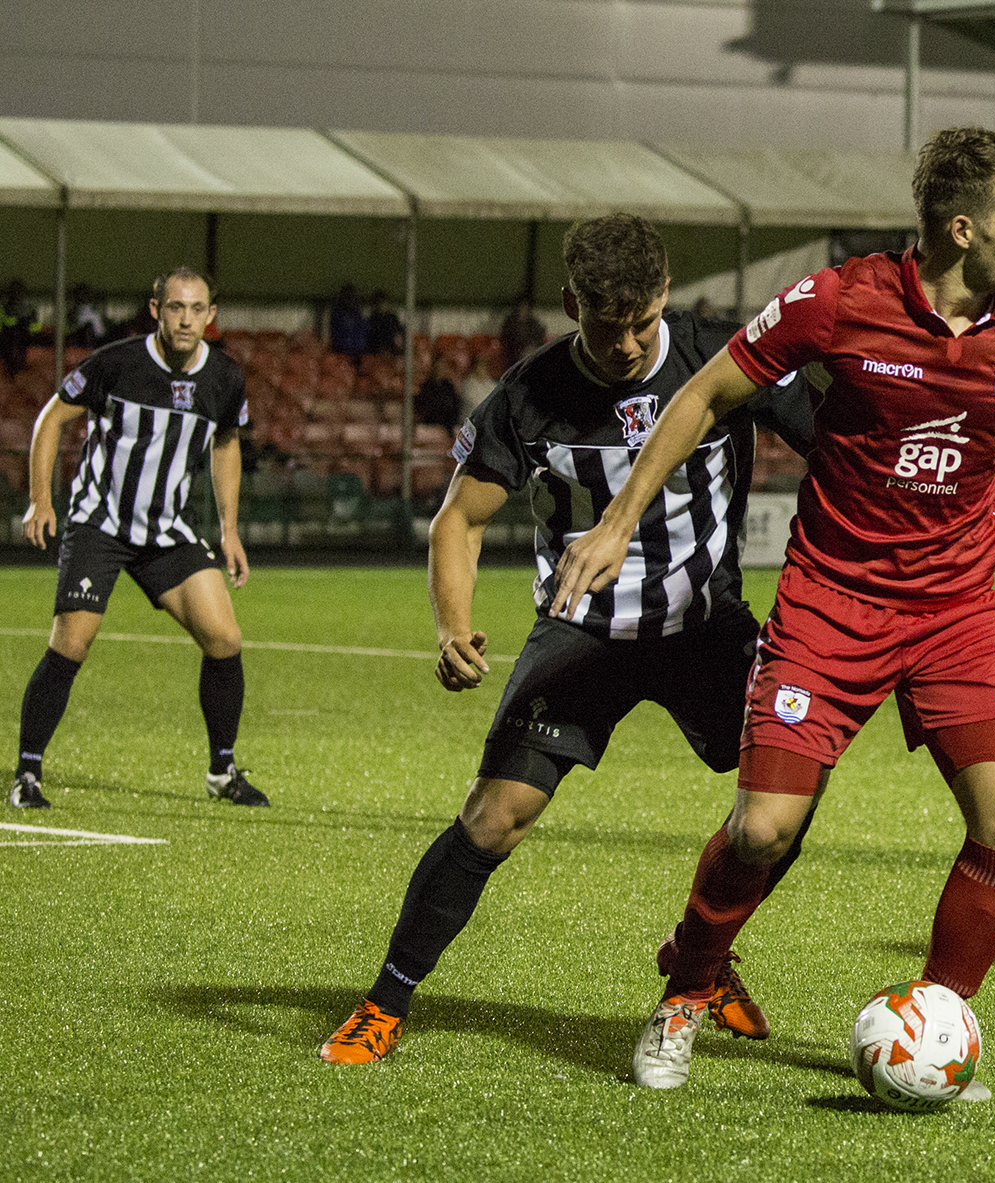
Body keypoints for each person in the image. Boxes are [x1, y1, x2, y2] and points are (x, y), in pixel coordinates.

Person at [549, 126, 995, 1093]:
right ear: (963, 230)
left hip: (956, 608)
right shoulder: (842, 299)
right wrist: (621, 521)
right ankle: (687, 990)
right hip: (831, 603)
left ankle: (937, 1016)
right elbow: (708, 394)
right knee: (762, 829)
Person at [317, 213, 814, 1065]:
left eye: (642, 322)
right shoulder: (528, 395)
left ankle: (700, 955)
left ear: (665, 295)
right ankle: (386, 1000)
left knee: (787, 797)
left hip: (705, 626)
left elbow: (839, 446)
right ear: (569, 303)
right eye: (604, 323)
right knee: (493, 817)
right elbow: (458, 523)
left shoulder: (724, 357)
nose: (625, 344)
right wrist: (451, 625)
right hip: (582, 634)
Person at [11, 267, 264, 810]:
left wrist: (229, 531)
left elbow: (225, 445)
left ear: (212, 316)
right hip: (99, 523)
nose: (186, 319)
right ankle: (26, 774)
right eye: (176, 307)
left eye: (197, 309)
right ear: (156, 310)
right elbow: (50, 420)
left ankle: (222, 771)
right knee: (71, 644)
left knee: (225, 639)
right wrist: (41, 499)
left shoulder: (224, 378)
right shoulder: (116, 363)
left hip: (164, 531)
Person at [499, 297, 546, 368]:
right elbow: (506, 339)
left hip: (530, 352)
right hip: (513, 354)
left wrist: (532, 347)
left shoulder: (533, 324)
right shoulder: (510, 323)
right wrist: (519, 349)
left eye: (526, 308)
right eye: (522, 307)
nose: (524, 310)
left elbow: (539, 337)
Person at [327, 284, 368, 358]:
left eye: (353, 297)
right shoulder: (337, 313)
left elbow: (362, 331)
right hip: (341, 351)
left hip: (357, 351)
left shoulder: (358, 314)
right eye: (348, 296)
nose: (351, 300)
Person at [366, 290, 405, 358]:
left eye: (384, 303)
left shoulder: (392, 318)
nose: (382, 306)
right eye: (379, 303)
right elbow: (373, 339)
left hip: (393, 351)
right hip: (378, 353)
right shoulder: (372, 320)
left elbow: (399, 333)